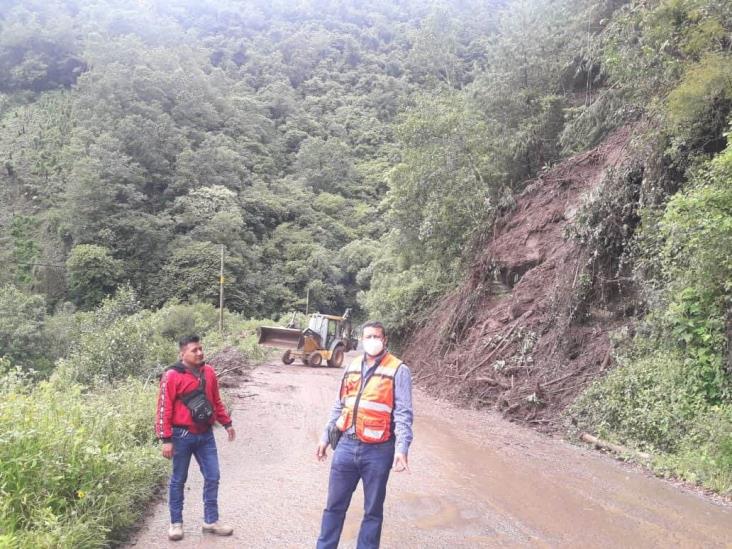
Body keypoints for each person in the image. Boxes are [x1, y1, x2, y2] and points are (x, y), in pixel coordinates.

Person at [316, 320, 414, 549]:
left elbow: (403, 414)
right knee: (333, 507)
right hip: (346, 446)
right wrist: (324, 438)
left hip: (379, 451)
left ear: (385, 340)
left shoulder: (398, 370)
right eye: (368, 337)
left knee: (372, 512)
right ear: (362, 339)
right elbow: (339, 405)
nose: (372, 341)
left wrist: (402, 449)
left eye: (377, 337)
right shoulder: (351, 366)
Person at [156, 335, 236, 541]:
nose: (200, 353)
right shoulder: (171, 375)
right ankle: (176, 524)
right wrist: (166, 439)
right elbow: (164, 408)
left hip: (205, 435)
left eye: (201, 348)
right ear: (182, 354)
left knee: (213, 476)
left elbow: (215, 400)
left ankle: (210, 521)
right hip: (181, 435)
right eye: (194, 350)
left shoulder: (208, 372)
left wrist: (227, 423)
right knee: (178, 480)